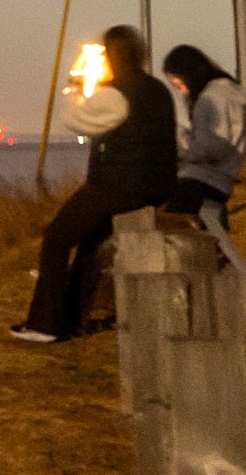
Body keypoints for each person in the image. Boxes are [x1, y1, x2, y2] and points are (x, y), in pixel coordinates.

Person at [13, 22, 179, 342]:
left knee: (57, 238)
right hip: (156, 185)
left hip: (120, 185)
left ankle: (45, 324)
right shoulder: (156, 89)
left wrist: (75, 85)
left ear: (112, 56)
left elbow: (74, 120)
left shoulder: (116, 95)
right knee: (89, 244)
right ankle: (72, 320)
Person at [164, 43, 246, 211]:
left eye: (178, 85)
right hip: (223, 178)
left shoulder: (209, 99)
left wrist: (180, 152)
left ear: (188, 74)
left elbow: (212, 147)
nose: (180, 92)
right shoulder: (229, 92)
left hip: (201, 179)